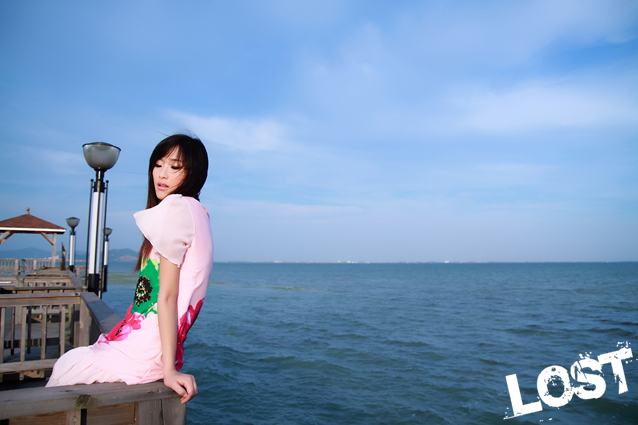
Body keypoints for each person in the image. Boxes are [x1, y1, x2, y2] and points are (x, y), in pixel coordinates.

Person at [47, 134, 213, 403]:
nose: (162, 174)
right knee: (68, 367)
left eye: (175, 167)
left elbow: (168, 295)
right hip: (150, 348)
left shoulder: (176, 207)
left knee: (66, 370)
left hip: (142, 351)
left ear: (193, 173)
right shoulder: (199, 212)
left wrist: (169, 371)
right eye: (158, 165)